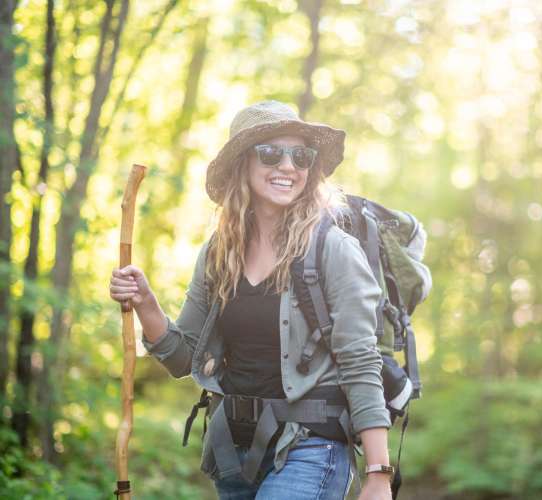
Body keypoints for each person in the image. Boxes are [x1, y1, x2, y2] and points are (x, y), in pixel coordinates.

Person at [109, 101, 392, 500]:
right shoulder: (218, 253)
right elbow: (182, 358)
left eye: (301, 155)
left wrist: (378, 474)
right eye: (271, 153)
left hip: (311, 446)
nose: (288, 166)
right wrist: (146, 303)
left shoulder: (333, 250)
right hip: (235, 453)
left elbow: (361, 361)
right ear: (242, 162)